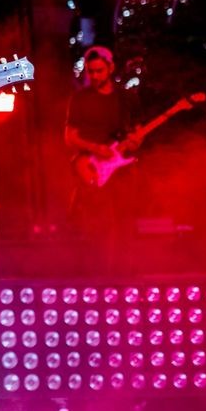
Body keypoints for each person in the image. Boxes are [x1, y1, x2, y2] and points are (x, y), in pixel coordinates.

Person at [63, 45, 142, 275]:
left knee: (126, 221)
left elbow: (137, 132)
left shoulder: (127, 98)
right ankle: (97, 276)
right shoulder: (80, 99)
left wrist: (136, 142)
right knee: (97, 225)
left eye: (99, 70)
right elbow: (69, 138)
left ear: (110, 68)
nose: (95, 76)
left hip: (122, 169)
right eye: (91, 71)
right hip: (93, 168)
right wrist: (95, 148)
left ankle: (124, 275)